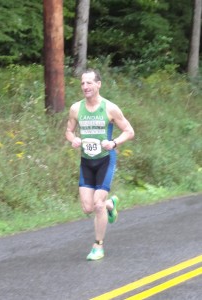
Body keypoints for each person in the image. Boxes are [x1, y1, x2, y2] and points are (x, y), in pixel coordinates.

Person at [65, 69, 134, 261]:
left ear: (98, 84)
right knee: (87, 208)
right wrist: (74, 139)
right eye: (82, 83)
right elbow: (68, 131)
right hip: (86, 161)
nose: (85, 87)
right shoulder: (76, 109)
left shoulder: (110, 108)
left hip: (106, 159)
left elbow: (129, 131)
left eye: (89, 83)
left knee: (97, 204)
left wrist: (114, 143)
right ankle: (110, 204)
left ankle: (98, 245)